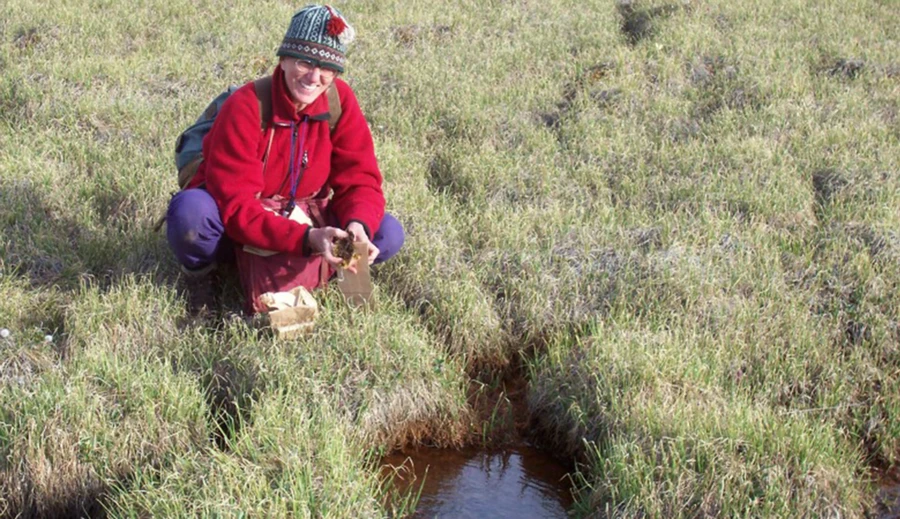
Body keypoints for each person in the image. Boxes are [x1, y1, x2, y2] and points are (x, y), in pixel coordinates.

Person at [165, 4, 404, 315]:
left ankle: (317, 272)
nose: (314, 78)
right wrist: (307, 239)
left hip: (308, 215)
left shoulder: (339, 102)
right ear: (284, 58)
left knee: (387, 232)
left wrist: (357, 226)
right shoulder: (245, 106)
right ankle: (204, 276)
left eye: (327, 69)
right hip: (243, 224)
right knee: (190, 216)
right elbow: (237, 207)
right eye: (305, 62)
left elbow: (360, 180)